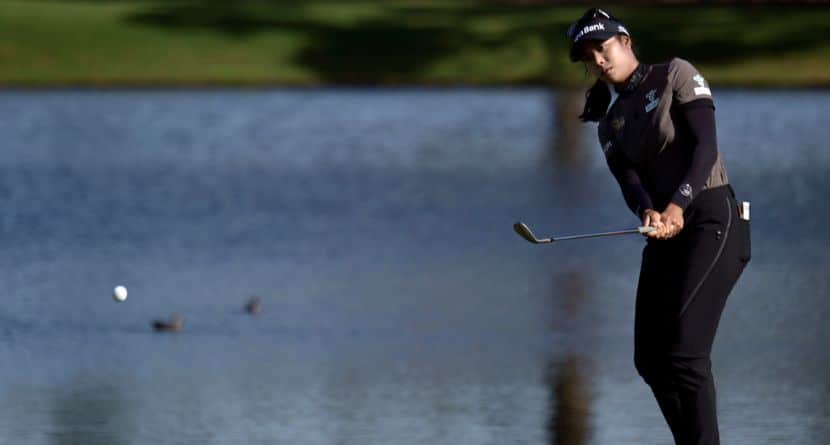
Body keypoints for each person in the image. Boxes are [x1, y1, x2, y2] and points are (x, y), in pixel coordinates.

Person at [565, 8, 751, 445]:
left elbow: (706, 148)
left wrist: (677, 204)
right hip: (666, 232)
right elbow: (632, 186)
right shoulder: (609, 125)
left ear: (625, 42)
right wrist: (649, 213)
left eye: (603, 48)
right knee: (650, 359)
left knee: (685, 355)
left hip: (710, 219)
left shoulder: (676, 74)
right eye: (589, 57)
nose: (598, 61)